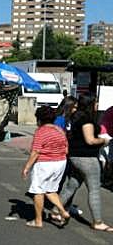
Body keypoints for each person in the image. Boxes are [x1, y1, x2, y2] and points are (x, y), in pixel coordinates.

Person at [53, 94, 113, 232]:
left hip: (74, 157)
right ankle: (97, 221)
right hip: (87, 158)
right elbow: (90, 140)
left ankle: (56, 210)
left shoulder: (74, 117)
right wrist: (104, 140)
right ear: (90, 104)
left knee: (71, 185)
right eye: (96, 102)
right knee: (94, 189)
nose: (97, 105)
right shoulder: (85, 119)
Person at [22, 106, 70, 228]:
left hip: (44, 163)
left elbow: (36, 151)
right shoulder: (60, 131)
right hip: (60, 162)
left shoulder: (41, 131)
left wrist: (27, 167)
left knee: (38, 190)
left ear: (39, 119)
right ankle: (63, 211)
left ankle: (38, 220)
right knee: (51, 190)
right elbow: (66, 149)